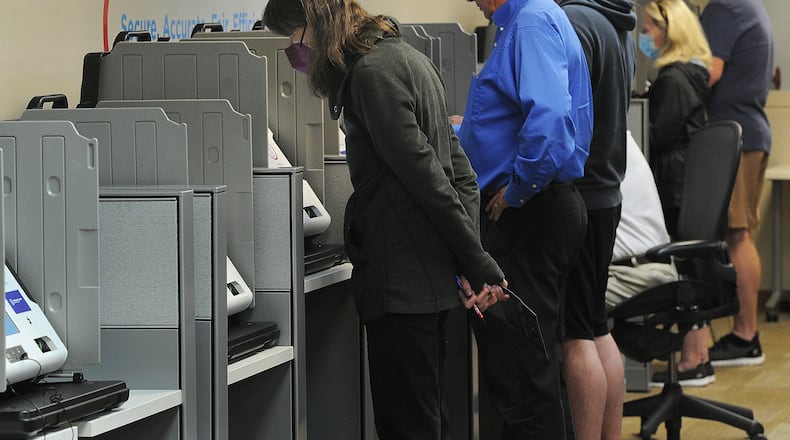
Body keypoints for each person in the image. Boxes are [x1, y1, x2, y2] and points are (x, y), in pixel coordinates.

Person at [262, 2, 508, 439]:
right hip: (428, 277)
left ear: (313, 25)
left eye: (292, 36)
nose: (293, 49)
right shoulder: (408, 57)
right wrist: (465, 259)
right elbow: (461, 175)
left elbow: (429, 181)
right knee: (428, 417)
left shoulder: (370, 75)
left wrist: (475, 262)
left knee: (408, 425)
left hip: (401, 280)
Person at [458, 0, 592, 437]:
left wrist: (516, 190)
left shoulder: (530, 21)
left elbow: (550, 123)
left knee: (521, 378)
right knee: (538, 374)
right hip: (541, 211)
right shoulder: (528, 19)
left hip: (529, 215)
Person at [556, 1, 635, 438]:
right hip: (606, 192)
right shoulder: (616, 20)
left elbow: (558, 115)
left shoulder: (575, 21)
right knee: (595, 326)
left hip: (581, 194)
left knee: (576, 336)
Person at [607, 132, 715, 387]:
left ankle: (591, 420)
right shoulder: (618, 136)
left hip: (636, 271)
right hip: (650, 264)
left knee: (565, 307)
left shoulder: (600, 142)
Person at [700, 0, 773, 368]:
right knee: (738, 234)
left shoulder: (726, 7)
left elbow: (709, 71)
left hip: (736, 136)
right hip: (748, 131)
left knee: (738, 234)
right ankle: (744, 333)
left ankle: (745, 336)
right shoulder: (748, 5)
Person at [640, 0, 712, 238]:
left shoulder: (674, 81)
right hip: (686, 182)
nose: (643, 38)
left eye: (647, 31)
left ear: (669, 33)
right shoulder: (690, 75)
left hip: (671, 187)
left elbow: (655, 135)